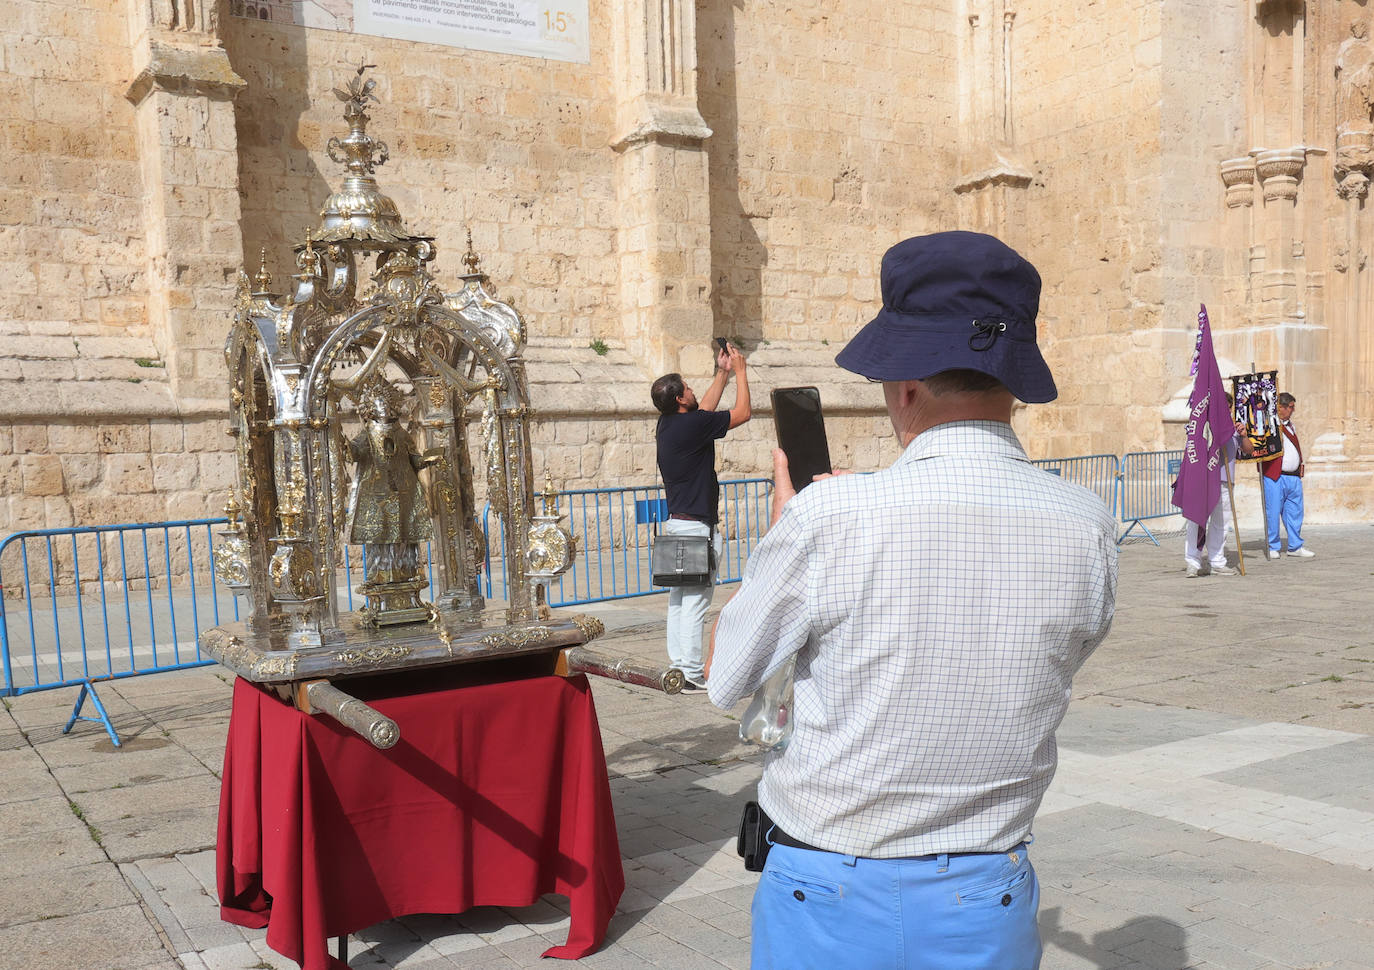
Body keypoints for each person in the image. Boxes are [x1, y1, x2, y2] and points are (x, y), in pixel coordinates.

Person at [707, 231, 1118, 970]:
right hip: (982, 893)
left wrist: (782, 536)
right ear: (1012, 381)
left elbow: (726, 678)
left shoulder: (827, 519)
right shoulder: (1087, 524)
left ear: (904, 386)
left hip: (826, 890)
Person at [650, 343, 751, 692]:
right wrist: (740, 371)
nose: (694, 390)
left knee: (679, 601)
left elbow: (703, 410)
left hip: (677, 523)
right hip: (696, 528)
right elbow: (742, 413)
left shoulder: (668, 425)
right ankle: (692, 672)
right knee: (694, 603)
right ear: (680, 399)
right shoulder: (690, 427)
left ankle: (679, 665)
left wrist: (721, 372)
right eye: (688, 388)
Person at [1184, 393, 1255, 577]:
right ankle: (1193, 561)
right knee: (1196, 520)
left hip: (1224, 480)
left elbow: (1248, 450)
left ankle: (1217, 561)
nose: (1226, 410)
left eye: (1228, 406)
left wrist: (1244, 435)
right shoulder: (1203, 425)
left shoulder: (1234, 428)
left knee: (1221, 522)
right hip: (1203, 479)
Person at [1261, 391, 1313, 559]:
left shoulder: (1291, 426)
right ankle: (1273, 545)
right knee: (1273, 511)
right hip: (1275, 475)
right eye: (1290, 407)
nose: (1293, 410)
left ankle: (1295, 545)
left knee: (1295, 512)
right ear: (1281, 407)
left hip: (1293, 476)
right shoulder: (1269, 425)